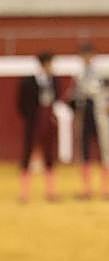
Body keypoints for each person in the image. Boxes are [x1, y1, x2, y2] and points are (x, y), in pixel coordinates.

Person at [71, 43, 109, 200]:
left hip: (101, 114)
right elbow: (75, 96)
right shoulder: (80, 75)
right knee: (84, 151)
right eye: (83, 56)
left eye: (88, 55)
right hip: (85, 114)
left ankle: (106, 189)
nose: (86, 58)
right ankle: (87, 188)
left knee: (106, 150)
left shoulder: (104, 72)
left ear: (94, 56)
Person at [17, 51, 63, 203]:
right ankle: (24, 192)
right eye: (50, 64)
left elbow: (56, 100)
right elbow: (21, 104)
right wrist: (30, 118)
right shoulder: (28, 82)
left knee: (49, 154)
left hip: (48, 120)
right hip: (33, 121)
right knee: (27, 154)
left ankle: (51, 191)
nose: (52, 67)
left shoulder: (54, 81)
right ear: (44, 65)